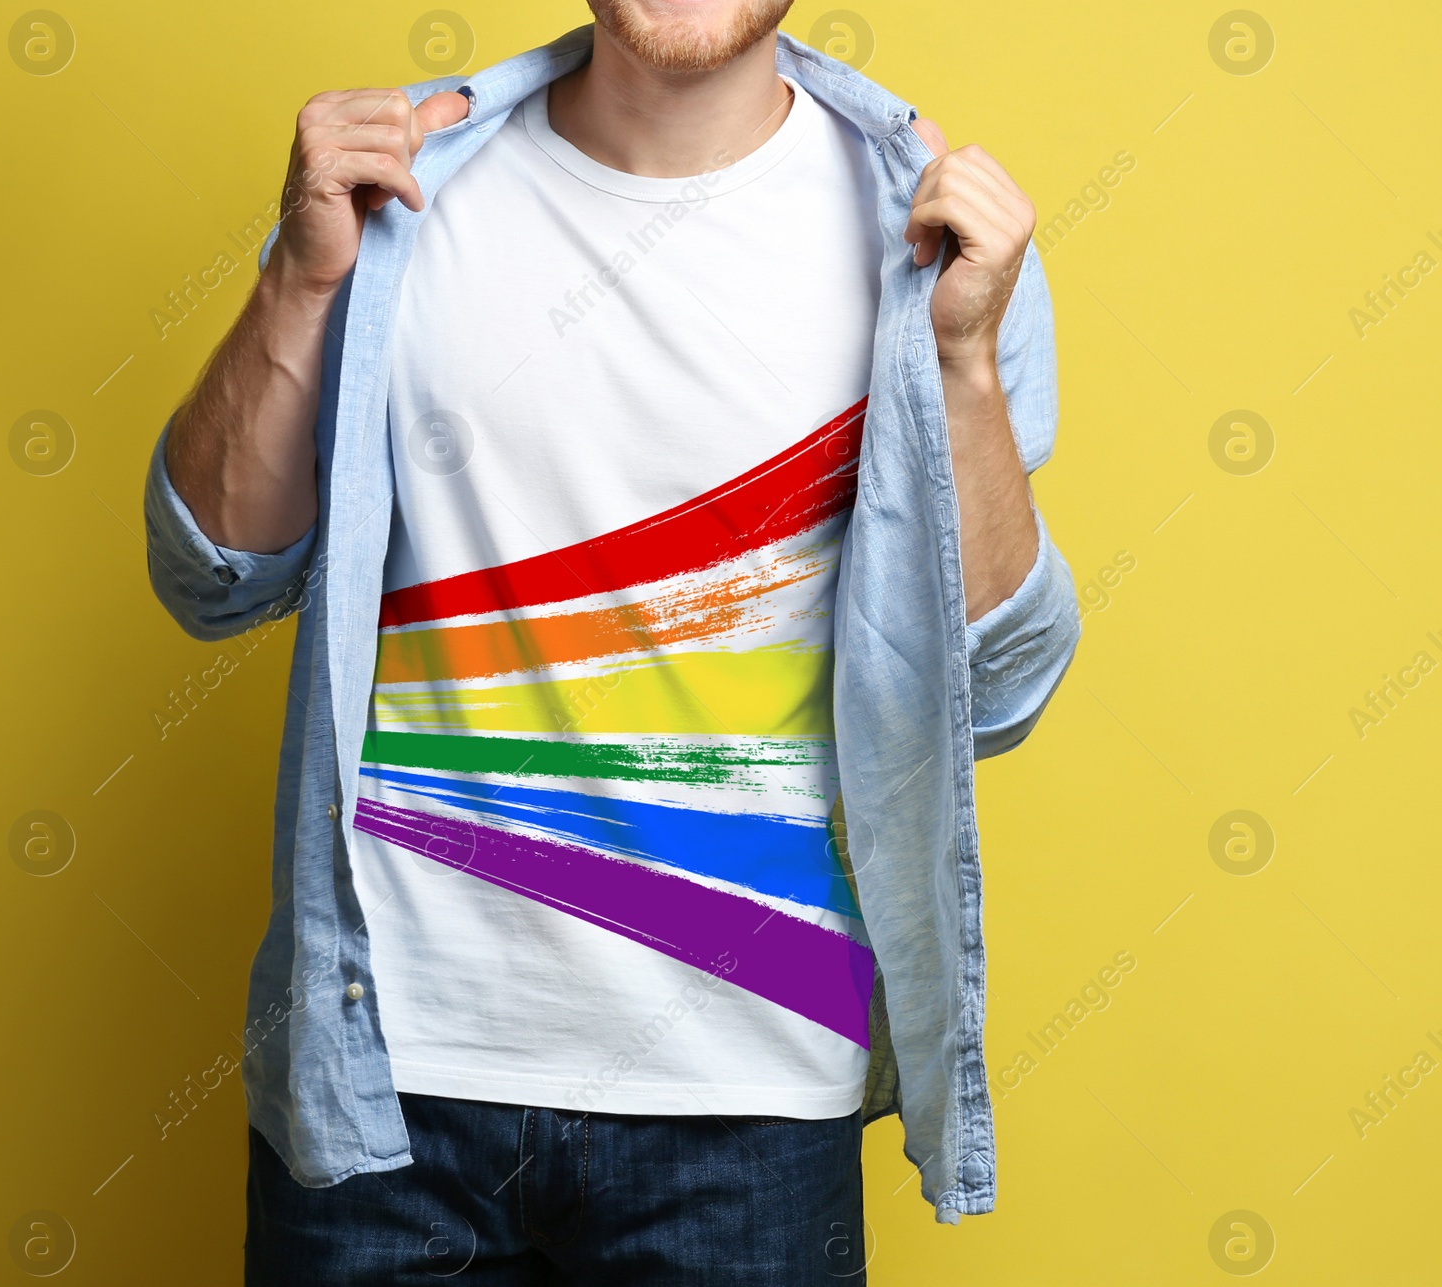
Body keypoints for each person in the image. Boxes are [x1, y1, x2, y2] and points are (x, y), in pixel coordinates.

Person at [144, 1, 1080, 1281]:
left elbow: (994, 694)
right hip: (389, 1080)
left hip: (747, 1103)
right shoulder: (401, 197)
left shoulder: (926, 238)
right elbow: (212, 576)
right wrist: (297, 282)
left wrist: (962, 360)